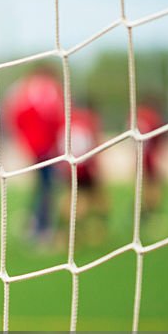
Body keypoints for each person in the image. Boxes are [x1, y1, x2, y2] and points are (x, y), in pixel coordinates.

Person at [5, 67, 65, 242]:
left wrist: (24, 141)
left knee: (43, 184)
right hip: (46, 147)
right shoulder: (49, 90)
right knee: (47, 186)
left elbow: (16, 116)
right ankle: (41, 227)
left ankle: (36, 222)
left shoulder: (24, 89)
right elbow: (57, 117)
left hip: (35, 146)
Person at [61, 103, 108, 245]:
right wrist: (95, 167)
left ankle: (70, 232)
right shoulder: (89, 121)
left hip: (71, 167)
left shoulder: (68, 120)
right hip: (85, 167)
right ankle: (94, 231)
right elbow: (92, 144)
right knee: (96, 200)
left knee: (74, 198)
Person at [135, 97, 168, 224]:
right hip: (150, 158)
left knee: (146, 186)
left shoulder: (137, 115)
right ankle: (150, 214)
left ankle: (143, 213)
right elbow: (161, 135)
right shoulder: (151, 116)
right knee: (155, 186)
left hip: (140, 157)